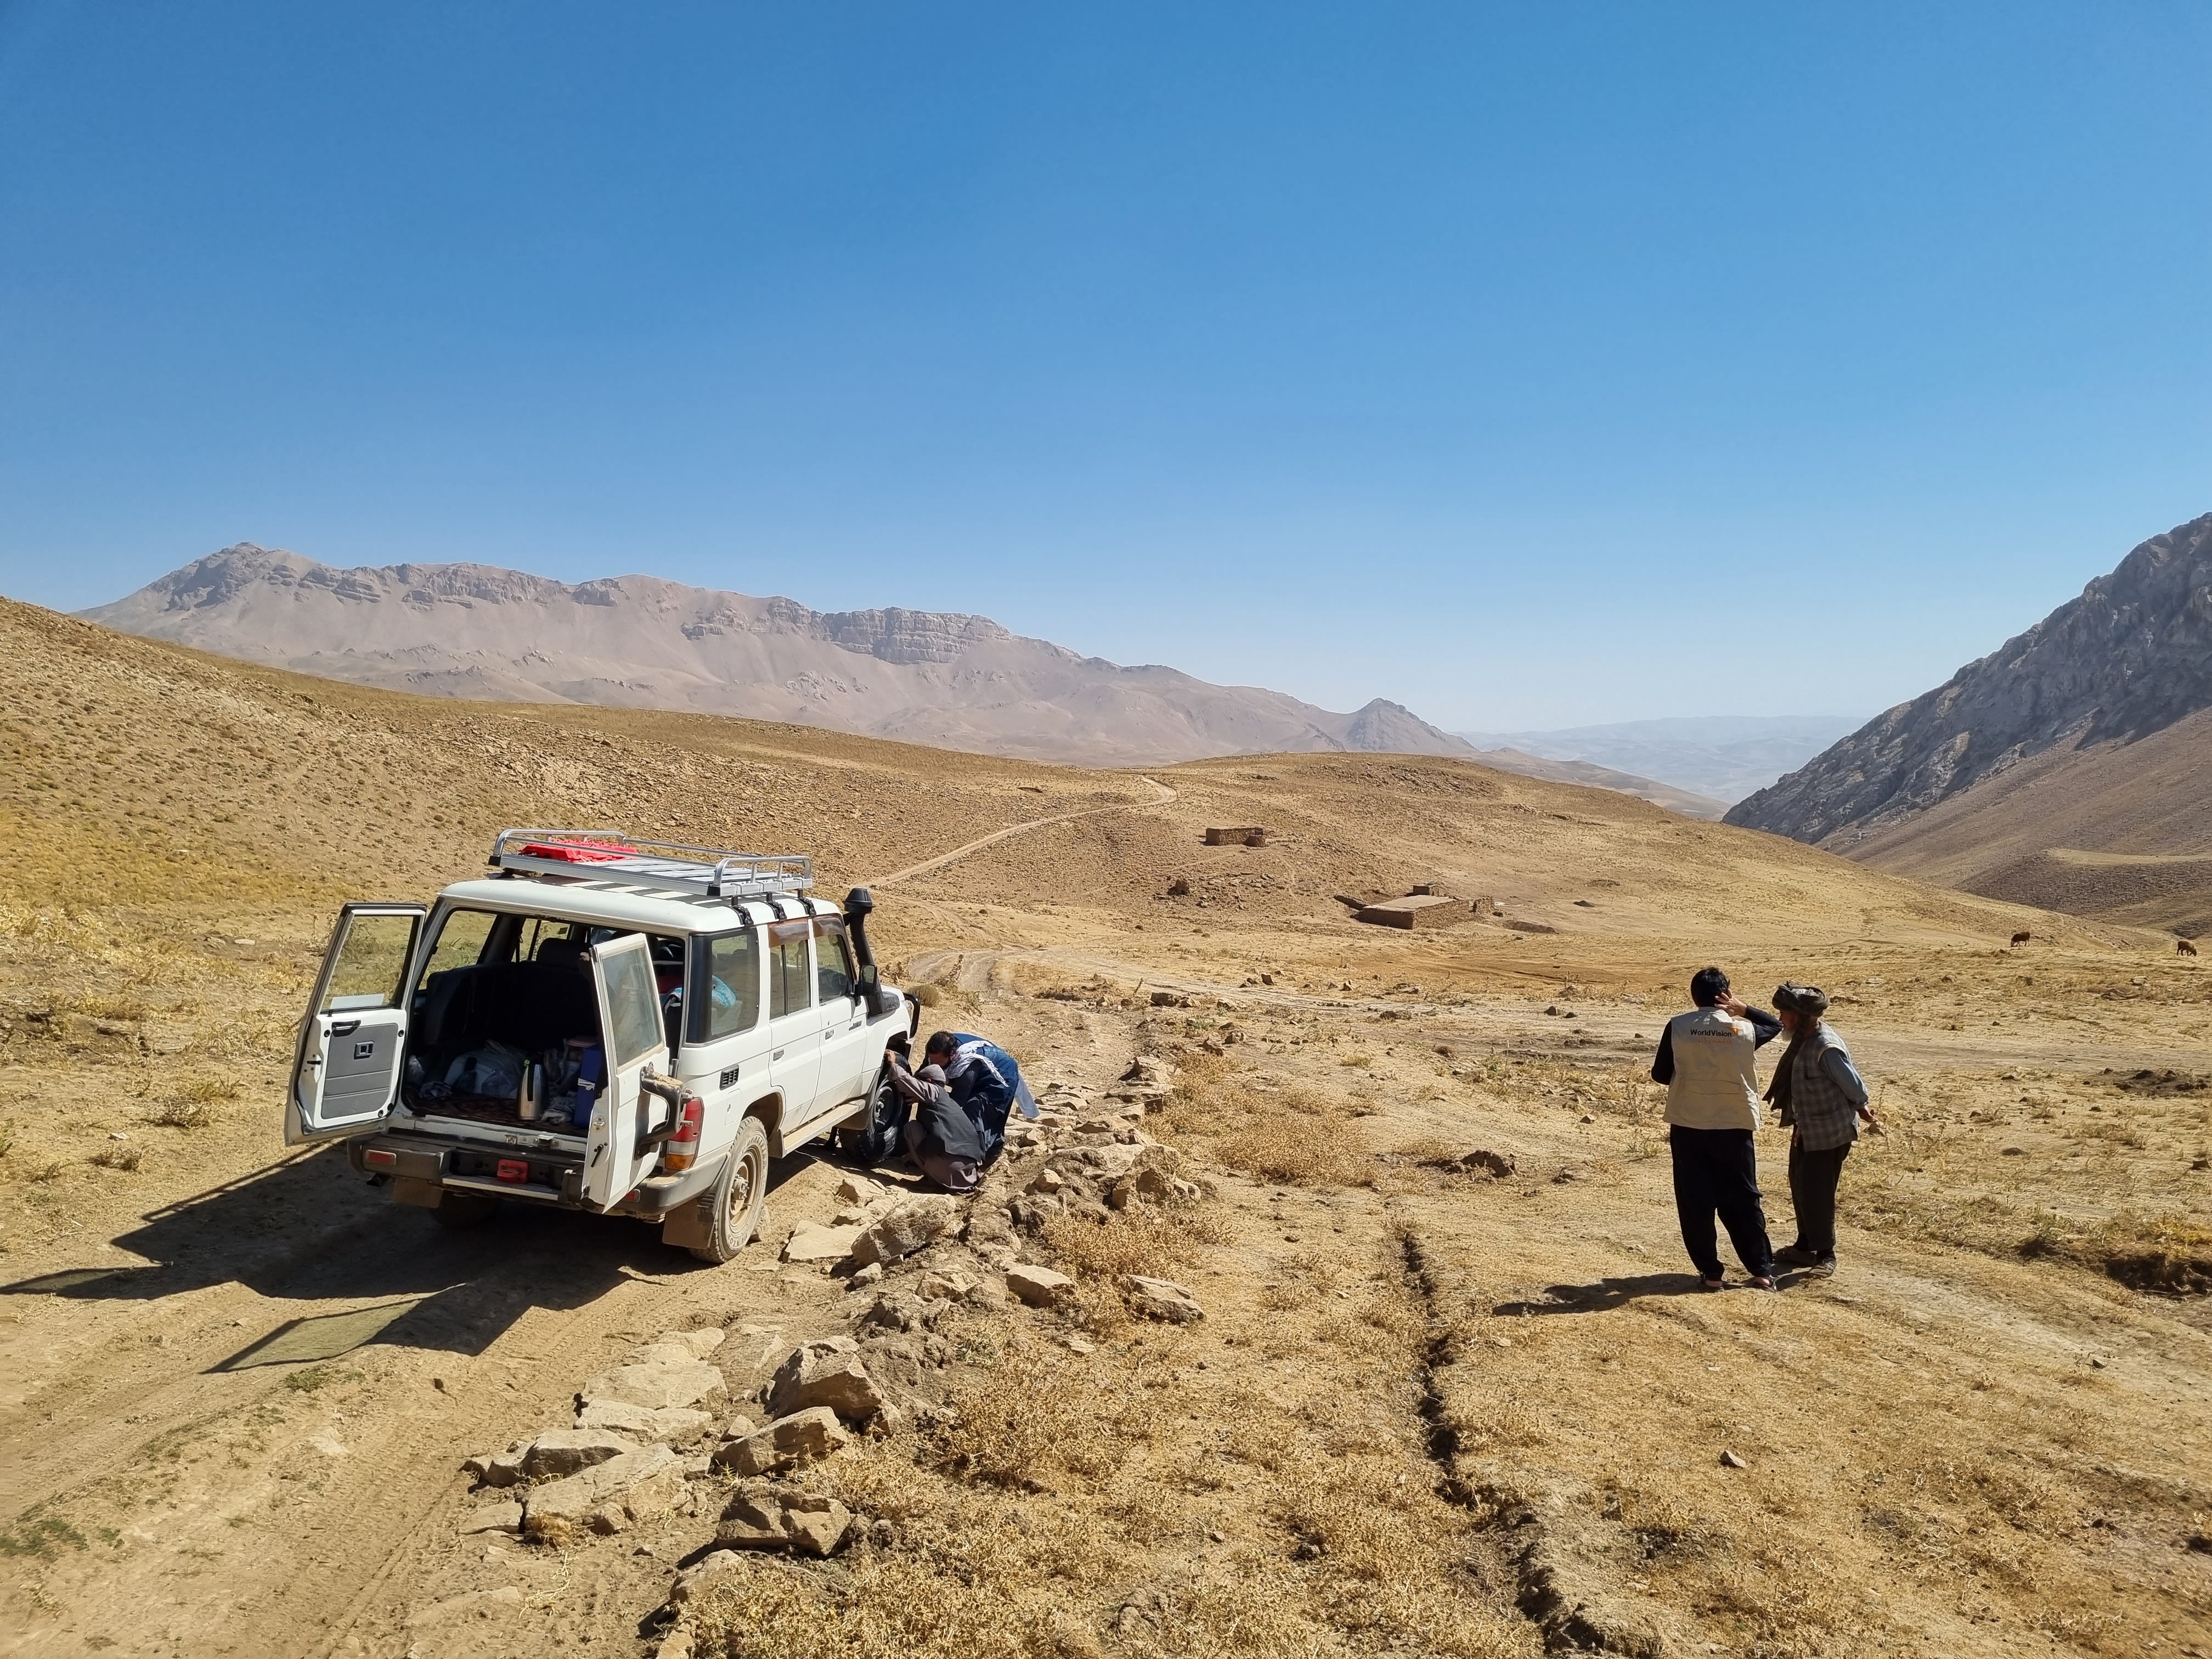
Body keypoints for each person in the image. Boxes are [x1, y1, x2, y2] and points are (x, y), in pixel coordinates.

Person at [1650, 967, 1784, 1290]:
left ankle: (1711, 1274)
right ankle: (1762, 1271)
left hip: (1689, 1122)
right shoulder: (1744, 1029)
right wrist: (1743, 1008)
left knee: (1695, 1200)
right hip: (1735, 1123)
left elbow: (1661, 1074)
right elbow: (1775, 1024)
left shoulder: (1678, 1026)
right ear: (1726, 995)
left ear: (1694, 995)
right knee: (1743, 1197)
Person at [1765, 983, 1879, 1278]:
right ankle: (1805, 1247)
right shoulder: (1804, 1038)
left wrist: (1861, 1106)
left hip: (1830, 1131)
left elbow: (1853, 1085)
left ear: (1802, 1017)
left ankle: (1826, 1255)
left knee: (1818, 1192)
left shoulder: (1825, 1047)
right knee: (1801, 1186)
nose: (1780, 1019)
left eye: (1785, 1014)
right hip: (1809, 1129)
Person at [922, 1030, 1038, 1160]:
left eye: (939, 1063)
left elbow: (954, 1104)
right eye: (933, 1061)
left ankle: (977, 1159)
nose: (935, 1065)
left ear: (953, 1056)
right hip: (978, 1077)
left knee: (975, 1112)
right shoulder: (937, 1049)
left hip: (1000, 1078)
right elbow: (923, 1075)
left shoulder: (967, 1063)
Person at [889, 1059, 985, 1193]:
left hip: (949, 1170)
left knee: (912, 1128)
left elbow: (904, 1079)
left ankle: (933, 1179)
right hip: (968, 1174)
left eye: (919, 1081)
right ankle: (938, 1175)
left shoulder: (932, 1090)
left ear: (928, 1082)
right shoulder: (948, 1101)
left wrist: (893, 1063)